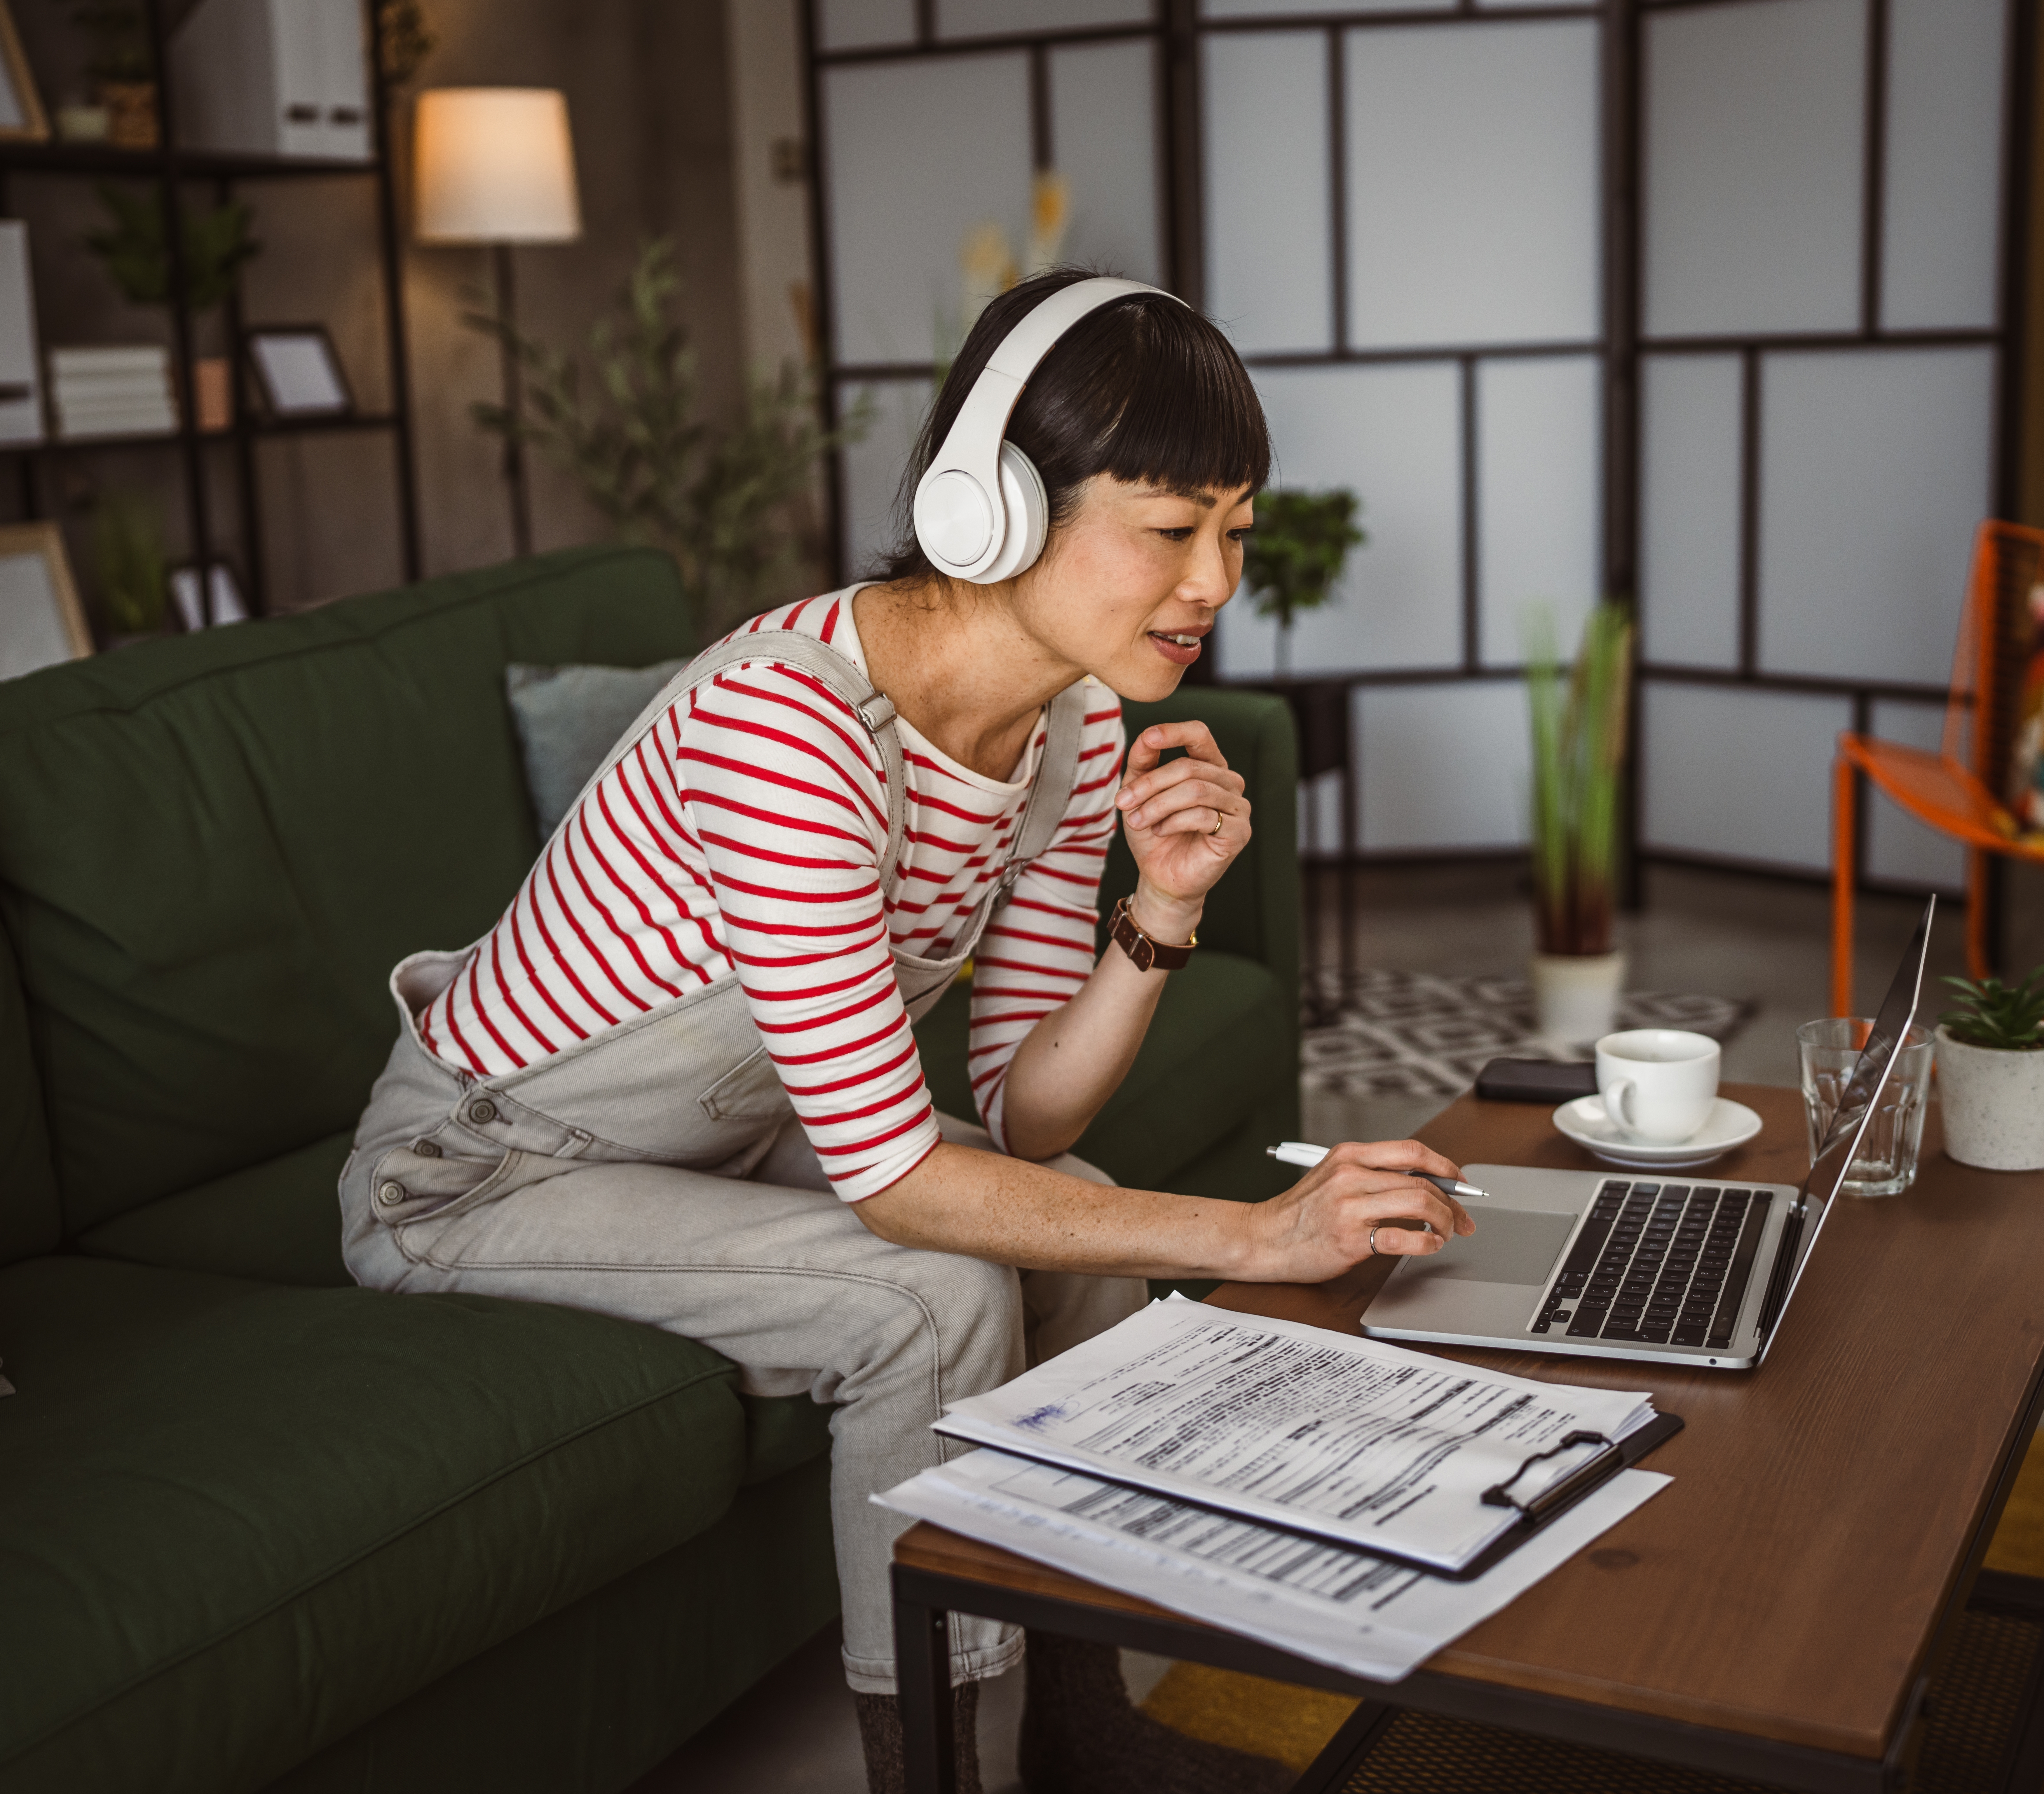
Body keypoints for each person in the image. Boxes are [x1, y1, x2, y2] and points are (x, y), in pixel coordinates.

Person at [337, 269, 1473, 1794]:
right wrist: (1260, 1236)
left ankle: (1079, 1729)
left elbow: (1026, 1116)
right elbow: (892, 1182)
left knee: (1088, 1246)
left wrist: (1164, 911)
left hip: (727, 1144)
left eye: (1235, 532)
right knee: (930, 1292)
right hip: (475, 1172)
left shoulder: (1071, 724)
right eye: (1168, 526)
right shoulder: (786, 726)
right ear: (989, 504)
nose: (1214, 580)